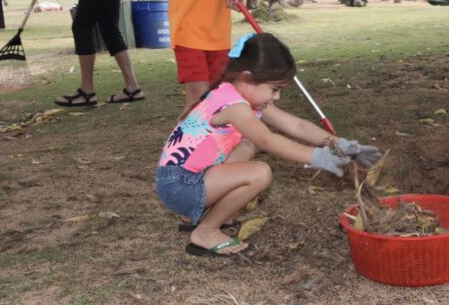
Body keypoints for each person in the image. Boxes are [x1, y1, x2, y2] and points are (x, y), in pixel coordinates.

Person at [155, 33, 382, 257]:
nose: (277, 97)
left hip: (184, 179)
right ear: (246, 77)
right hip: (180, 186)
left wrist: (342, 145)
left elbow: (297, 126)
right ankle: (206, 231)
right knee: (260, 173)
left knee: (246, 147)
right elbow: (267, 139)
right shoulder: (233, 105)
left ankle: (209, 212)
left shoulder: (237, 93)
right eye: (274, 89)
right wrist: (318, 157)